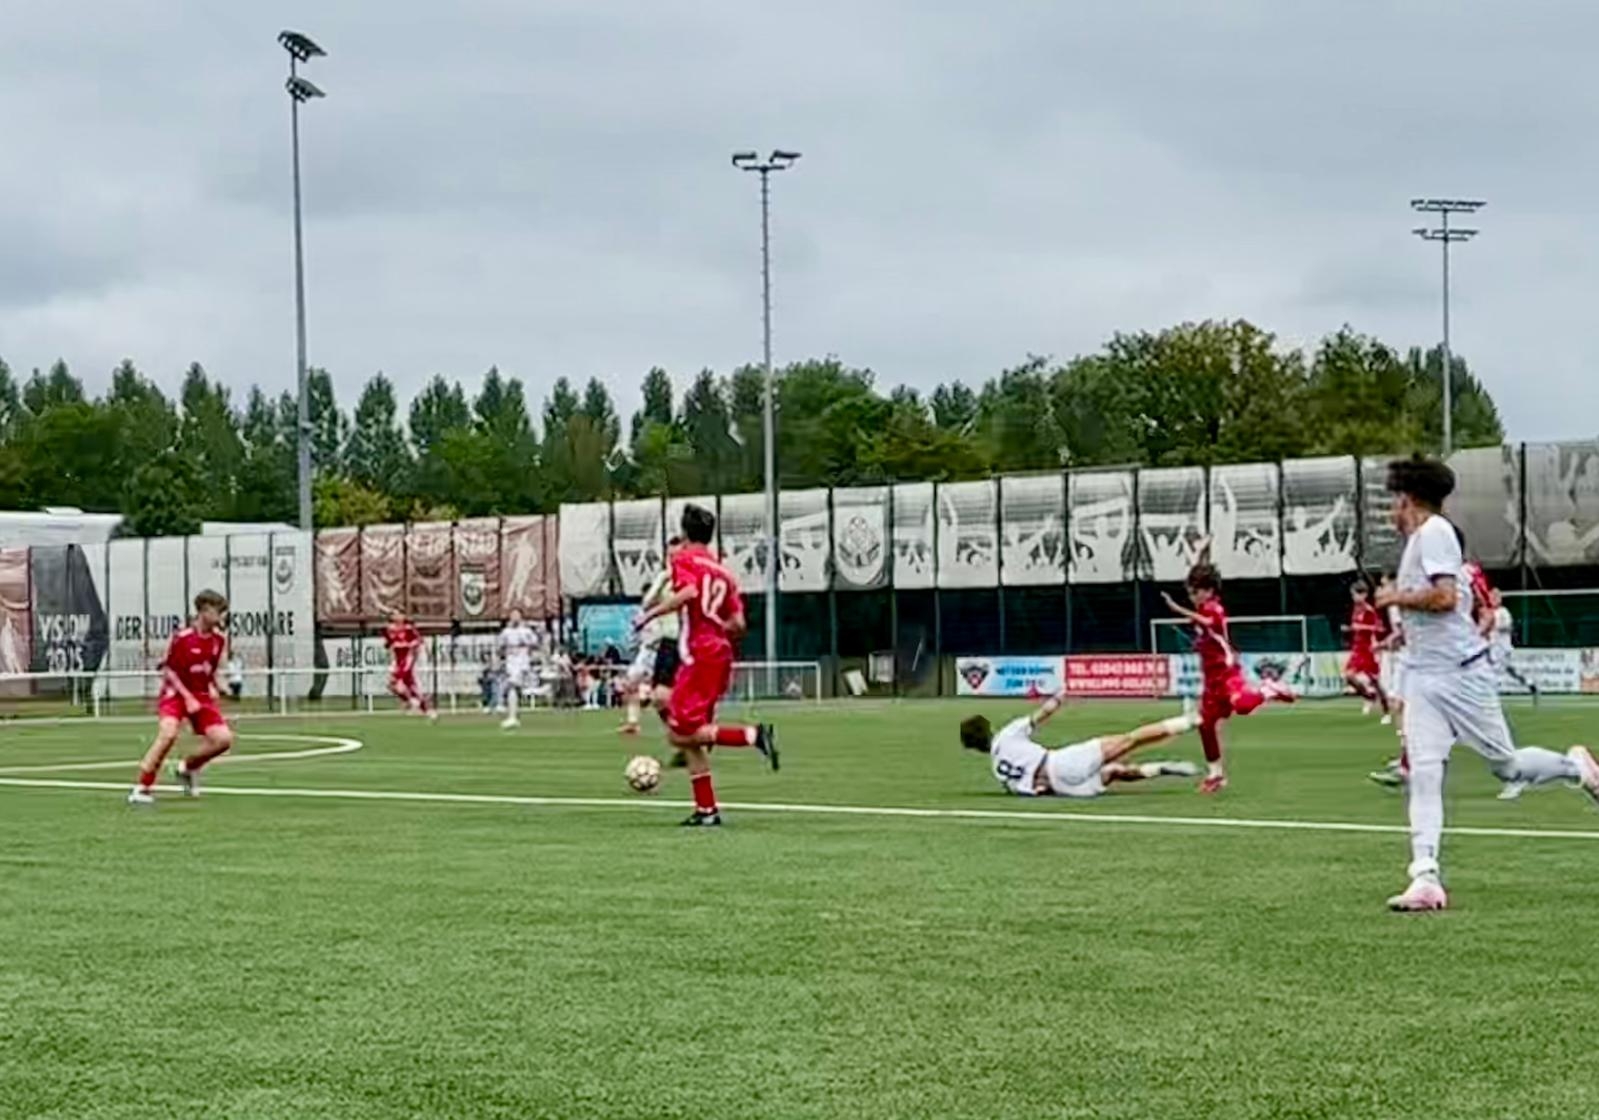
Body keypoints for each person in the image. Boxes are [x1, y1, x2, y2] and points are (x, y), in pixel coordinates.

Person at [1375, 455, 1599, 913]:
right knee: (1424, 773)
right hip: (1424, 676)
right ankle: (1425, 877)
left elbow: (1444, 597)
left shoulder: (1435, 532)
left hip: (1461, 676)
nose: (1390, 512)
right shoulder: (1420, 540)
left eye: (1393, 501)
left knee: (1508, 767)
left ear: (1407, 499)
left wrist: (1395, 597)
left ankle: (1576, 767)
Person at [633, 503, 777, 827]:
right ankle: (707, 810)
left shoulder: (683, 560)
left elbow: (689, 592)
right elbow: (738, 623)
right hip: (720, 653)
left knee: (678, 735)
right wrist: (715, 625)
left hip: (697, 654)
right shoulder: (724, 572)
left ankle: (752, 735)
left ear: (685, 534)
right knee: (690, 735)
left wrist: (650, 614)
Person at [1160, 545, 1295, 794]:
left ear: (1208, 591)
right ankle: (1216, 775)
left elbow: (1206, 622)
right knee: (1206, 724)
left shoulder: (1214, 609)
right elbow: (1200, 575)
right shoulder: (1202, 603)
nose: (1192, 596)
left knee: (1242, 706)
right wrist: (1201, 552)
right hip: (1211, 679)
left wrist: (1177, 610)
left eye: (1195, 592)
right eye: (1190, 592)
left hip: (1227, 672)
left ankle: (1269, 688)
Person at [961, 687, 1200, 798]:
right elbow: (1040, 715)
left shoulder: (998, 771)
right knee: (1130, 740)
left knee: (1114, 773)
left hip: (1064, 789)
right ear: (988, 728)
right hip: (1061, 764)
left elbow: (1033, 790)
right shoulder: (1007, 734)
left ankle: (1161, 769)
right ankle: (1188, 722)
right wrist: (1058, 698)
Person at [127, 590, 235, 805]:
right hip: (176, 694)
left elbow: (211, 669)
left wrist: (218, 685)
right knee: (167, 734)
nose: (222, 617)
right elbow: (169, 671)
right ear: (204, 611)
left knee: (223, 740)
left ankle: (188, 768)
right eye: (219, 611)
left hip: (201, 695)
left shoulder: (218, 640)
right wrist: (187, 698)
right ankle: (142, 787)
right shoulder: (183, 638)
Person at [621, 537, 684, 736]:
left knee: (679, 695)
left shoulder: (692, 579)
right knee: (658, 697)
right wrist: (662, 581)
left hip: (687, 642)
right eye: (670, 556)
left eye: (677, 556)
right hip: (667, 644)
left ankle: (691, 734)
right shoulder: (664, 580)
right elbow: (647, 603)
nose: (673, 561)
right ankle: (678, 733)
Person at [1342, 580, 1390, 721]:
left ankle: (1386, 712)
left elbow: (1379, 628)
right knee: (1349, 676)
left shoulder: (1369, 610)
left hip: (1368, 650)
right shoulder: (1356, 608)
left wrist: (1360, 627)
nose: (1354, 598)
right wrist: (1351, 629)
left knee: (1376, 682)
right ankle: (1369, 696)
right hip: (1357, 649)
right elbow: (1355, 626)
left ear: (1364, 595)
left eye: (1356, 594)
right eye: (1352, 595)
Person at [1487, 588, 1539, 703]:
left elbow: (1509, 627)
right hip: (1493, 647)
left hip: (1502, 647)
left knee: (1494, 670)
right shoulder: (1488, 612)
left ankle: (1492, 697)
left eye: (1496, 597)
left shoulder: (1503, 612)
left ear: (1500, 599)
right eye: (1491, 597)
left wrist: (1495, 627)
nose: (1493, 599)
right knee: (1512, 670)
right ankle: (1531, 684)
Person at [384, 611, 436, 720]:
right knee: (404, 686)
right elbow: (389, 645)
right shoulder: (390, 629)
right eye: (394, 614)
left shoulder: (408, 629)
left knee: (397, 683)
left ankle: (413, 703)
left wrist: (418, 653)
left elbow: (418, 642)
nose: (396, 616)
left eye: (399, 614)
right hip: (397, 661)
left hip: (408, 660)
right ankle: (422, 706)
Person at [497, 608, 539, 729]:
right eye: (513, 615)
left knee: (512, 686)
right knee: (513, 688)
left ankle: (511, 715)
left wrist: (527, 646)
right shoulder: (506, 632)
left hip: (522, 662)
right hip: (511, 662)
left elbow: (535, 644)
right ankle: (512, 716)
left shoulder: (526, 631)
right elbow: (500, 647)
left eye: (517, 615)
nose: (515, 617)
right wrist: (502, 656)